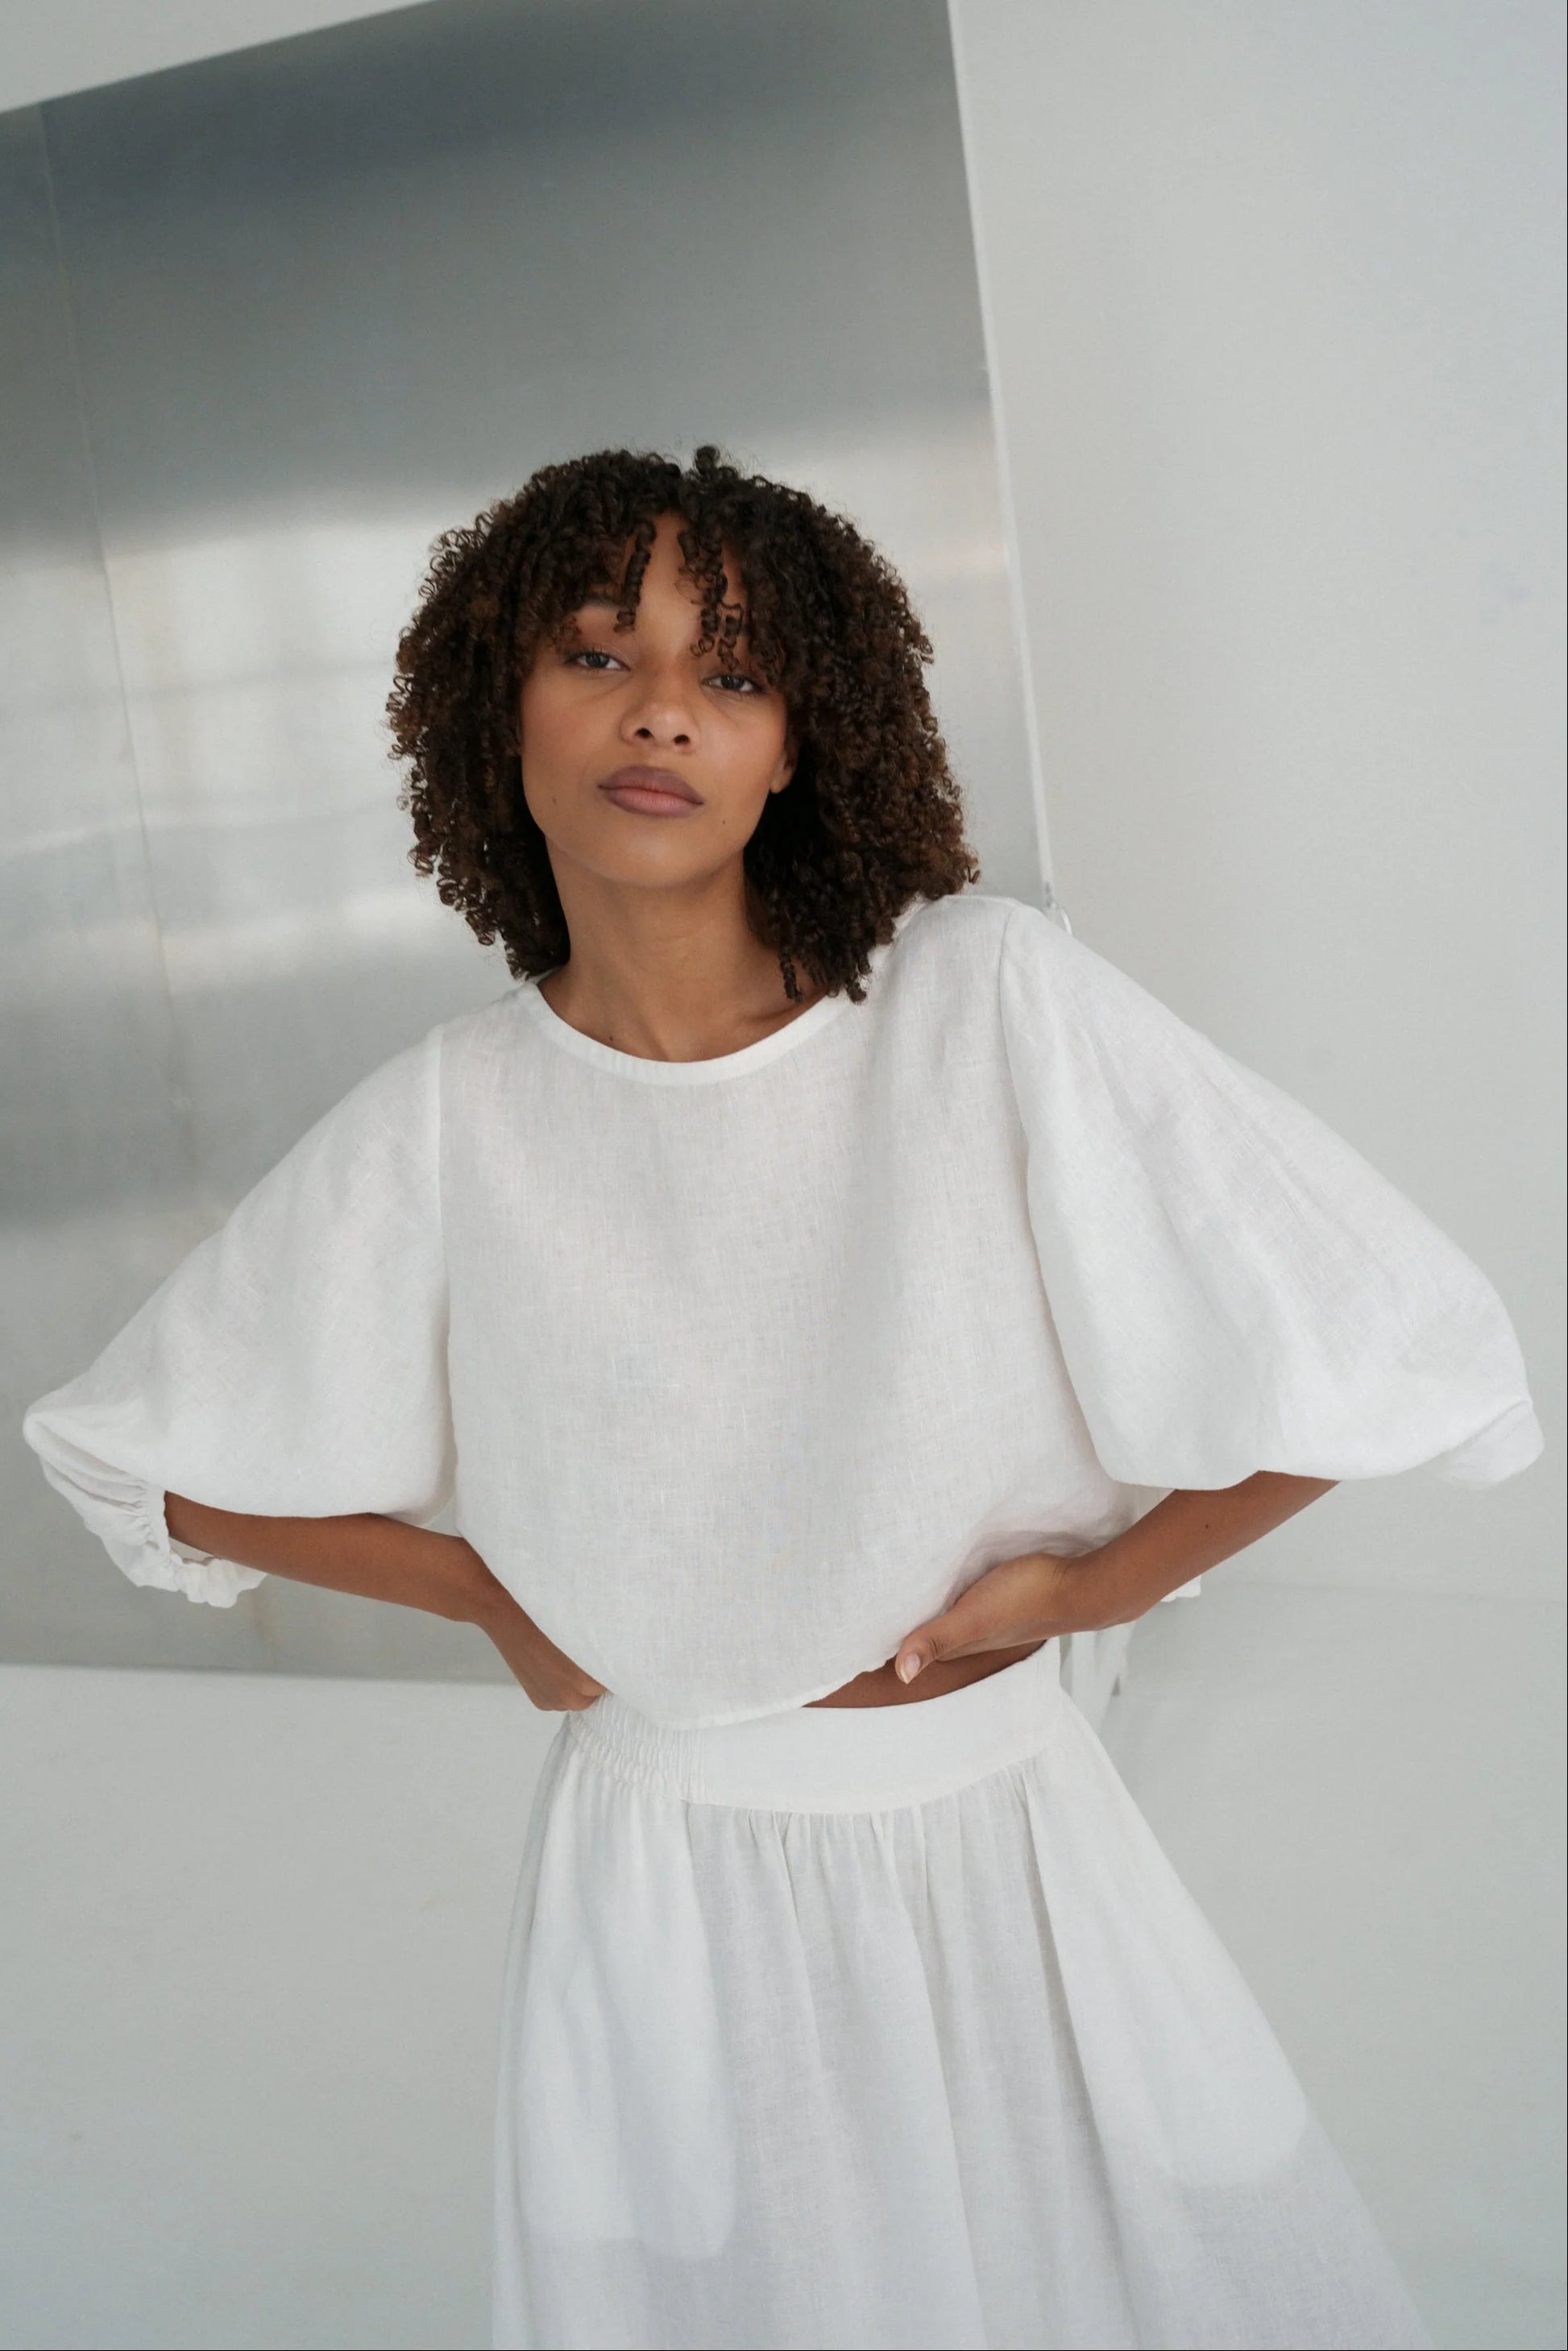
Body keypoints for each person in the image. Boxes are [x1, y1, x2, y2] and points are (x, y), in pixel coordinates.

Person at [23, 444, 1542, 2351]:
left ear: (798, 747)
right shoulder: (451, 1118)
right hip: (660, 1885)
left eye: (732, 672)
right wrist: (493, 1589)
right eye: (597, 652)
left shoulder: (976, 1002)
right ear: (493, 710)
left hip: (995, 1834)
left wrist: (1107, 1586)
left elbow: (1396, 1333)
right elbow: (129, 1455)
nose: (661, 705)